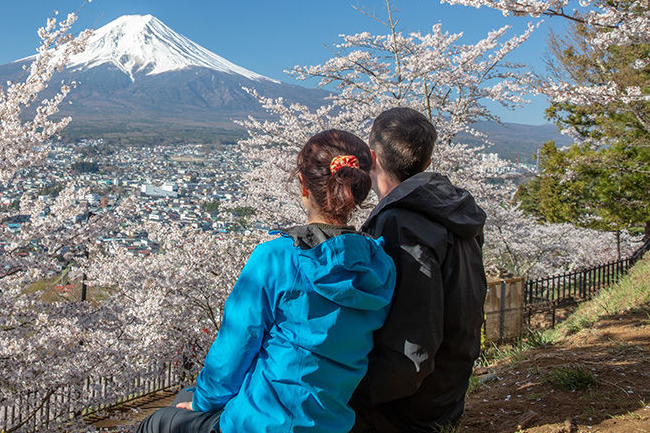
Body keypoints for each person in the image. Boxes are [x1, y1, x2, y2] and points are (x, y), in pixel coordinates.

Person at [136, 130, 396, 433]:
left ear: (303, 184)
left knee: (159, 422)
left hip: (262, 421)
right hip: (332, 421)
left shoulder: (278, 258)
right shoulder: (379, 265)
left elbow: (236, 344)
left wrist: (204, 401)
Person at [349, 107, 488, 433]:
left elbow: (412, 347)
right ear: (427, 162)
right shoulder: (454, 210)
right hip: (447, 395)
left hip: (408, 410)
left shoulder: (400, 223)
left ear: (372, 158)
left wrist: (350, 388)